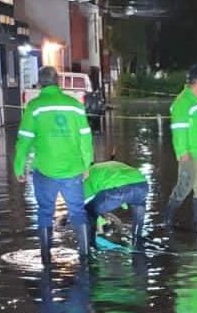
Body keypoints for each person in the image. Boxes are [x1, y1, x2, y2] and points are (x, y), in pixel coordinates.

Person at [13, 65, 94, 265]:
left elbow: (24, 140)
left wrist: (19, 167)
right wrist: (86, 165)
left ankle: (45, 259)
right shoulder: (74, 105)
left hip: (45, 170)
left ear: (40, 83)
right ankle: (84, 258)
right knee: (78, 211)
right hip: (73, 169)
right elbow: (85, 138)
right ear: (58, 81)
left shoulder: (35, 106)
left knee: (44, 212)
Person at [164, 65, 197, 231]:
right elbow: (179, 129)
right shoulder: (183, 102)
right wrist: (182, 152)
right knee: (184, 186)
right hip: (191, 154)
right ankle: (168, 221)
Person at [84, 160, 149, 247]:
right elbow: (125, 199)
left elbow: (86, 205)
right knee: (137, 228)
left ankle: (90, 245)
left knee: (89, 211)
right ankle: (137, 242)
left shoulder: (87, 178)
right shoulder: (108, 165)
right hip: (142, 186)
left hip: (119, 190)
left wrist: (99, 227)